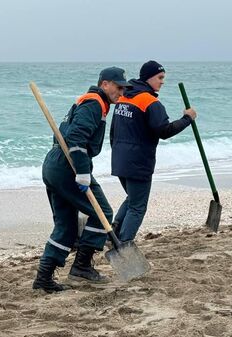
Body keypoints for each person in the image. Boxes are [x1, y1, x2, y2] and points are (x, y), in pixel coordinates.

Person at [33, 67, 131, 293]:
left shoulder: (95, 104)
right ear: (105, 84)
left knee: (66, 225)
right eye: (118, 87)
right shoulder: (95, 104)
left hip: (55, 165)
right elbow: (75, 138)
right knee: (103, 213)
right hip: (67, 166)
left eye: (123, 88)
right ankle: (82, 266)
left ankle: (44, 278)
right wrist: (82, 171)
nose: (121, 92)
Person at [110, 60, 197, 242]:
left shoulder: (123, 98)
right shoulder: (149, 101)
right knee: (138, 206)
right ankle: (124, 244)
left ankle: (113, 234)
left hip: (119, 159)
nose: (162, 82)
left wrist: (118, 153)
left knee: (132, 199)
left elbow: (113, 132)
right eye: (160, 77)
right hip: (138, 163)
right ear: (149, 78)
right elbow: (164, 131)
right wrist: (187, 118)